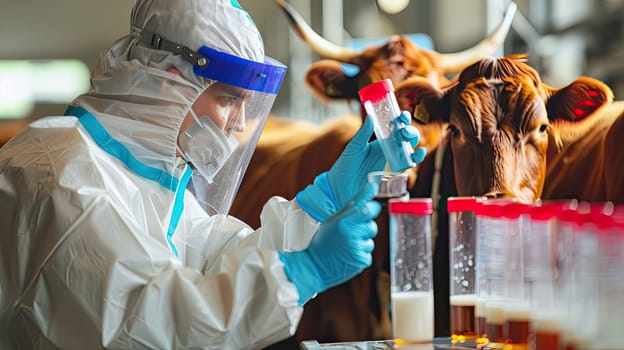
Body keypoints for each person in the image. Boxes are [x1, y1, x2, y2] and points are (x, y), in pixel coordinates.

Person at [0, 0, 426, 349]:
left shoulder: (145, 175)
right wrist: (304, 271)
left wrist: (322, 202)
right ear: (172, 83)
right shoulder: (65, 175)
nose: (239, 125)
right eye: (229, 99)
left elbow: (214, 264)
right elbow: (148, 325)